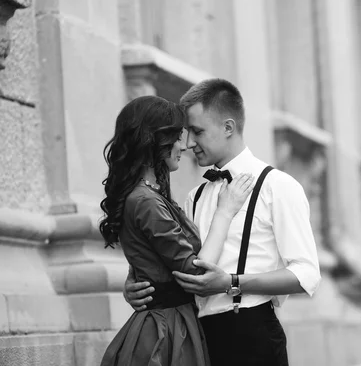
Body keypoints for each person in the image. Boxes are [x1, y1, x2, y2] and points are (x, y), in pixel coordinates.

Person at [124, 79, 322, 366]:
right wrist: (139, 285)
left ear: (228, 127)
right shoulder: (195, 196)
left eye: (198, 131)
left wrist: (230, 283)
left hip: (251, 335)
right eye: (187, 132)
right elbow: (182, 265)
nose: (189, 143)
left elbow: (307, 275)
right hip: (196, 336)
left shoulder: (278, 186)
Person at [99, 95, 255, 366]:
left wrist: (136, 276)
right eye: (178, 135)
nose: (185, 145)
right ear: (154, 141)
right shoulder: (145, 200)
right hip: (165, 334)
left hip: (173, 323)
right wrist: (225, 211)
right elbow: (197, 274)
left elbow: (151, 254)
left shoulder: (150, 196)